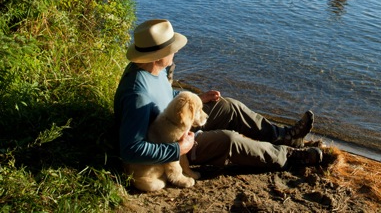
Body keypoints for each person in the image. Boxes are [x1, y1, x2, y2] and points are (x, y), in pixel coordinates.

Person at [114, 19, 323, 180]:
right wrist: (179, 149)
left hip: (176, 124)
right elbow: (131, 150)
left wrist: (198, 98)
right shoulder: (137, 95)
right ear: (158, 55)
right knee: (228, 141)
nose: (175, 51)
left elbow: (165, 97)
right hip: (169, 142)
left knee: (227, 106)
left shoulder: (153, 68)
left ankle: (284, 136)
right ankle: (289, 156)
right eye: (171, 49)